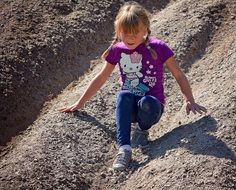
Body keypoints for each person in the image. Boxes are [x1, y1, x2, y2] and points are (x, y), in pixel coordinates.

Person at [59, 1, 207, 171]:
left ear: (145, 30)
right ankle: (124, 149)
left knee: (148, 102)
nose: (130, 38)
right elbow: (101, 77)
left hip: (152, 107)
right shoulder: (117, 50)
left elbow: (178, 74)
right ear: (118, 31)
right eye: (126, 33)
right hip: (129, 106)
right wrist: (80, 103)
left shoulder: (159, 47)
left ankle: (142, 130)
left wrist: (189, 99)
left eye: (135, 33)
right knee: (123, 95)